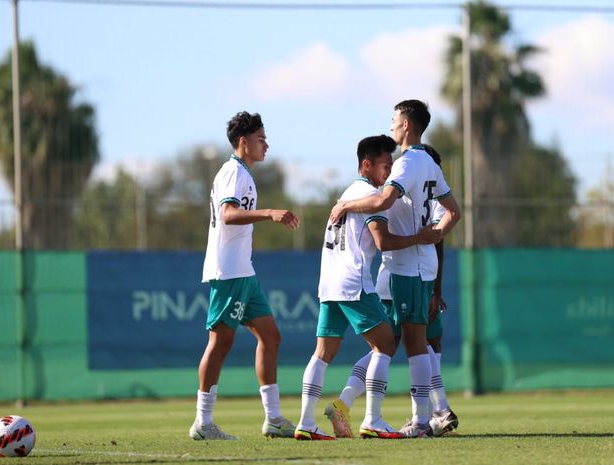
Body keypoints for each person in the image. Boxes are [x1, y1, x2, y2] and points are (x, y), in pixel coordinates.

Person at [294, 135, 442, 441]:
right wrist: (420, 237)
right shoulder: (370, 195)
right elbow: (383, 241)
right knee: (386, 345)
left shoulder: (346, 194)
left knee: (322, 353)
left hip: (329, 283)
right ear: (367, 164)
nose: (389, 171)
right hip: (354, 283)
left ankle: (306, 422)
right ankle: (373, 419)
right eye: (385, 165)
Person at [329, 100, 461, 438]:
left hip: (405, 267)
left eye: (394, 120)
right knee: (395, 343)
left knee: (410, 343)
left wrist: (345, 204)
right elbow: (454, 212)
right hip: (412, 267)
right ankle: (357, 406)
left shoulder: (407, 164)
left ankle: (418, 420)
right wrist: (434, 235)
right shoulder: (430, 163)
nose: (391, 126)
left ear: (407, 125)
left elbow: (383, 201)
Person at [190, 111, 300, 441]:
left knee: (271, 336)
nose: (266, 144)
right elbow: (227, 214)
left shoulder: (244, 174)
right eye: (260, 139)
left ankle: (274, 418)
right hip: (229, 271)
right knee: (220, 342)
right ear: (244, 142)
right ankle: (203, 422)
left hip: (244, 272)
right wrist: (269, 213)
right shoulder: (232, 172)